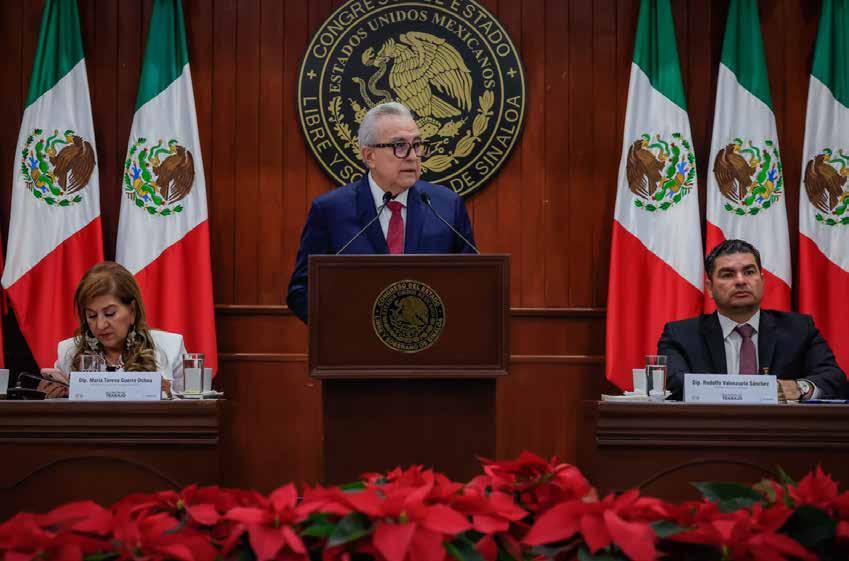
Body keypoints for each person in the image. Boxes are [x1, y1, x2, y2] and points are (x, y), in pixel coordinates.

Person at [286, 102, 476, 323]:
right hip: (357, 339)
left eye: (417, 145)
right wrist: (343, 324)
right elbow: (301, 290)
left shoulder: (446, 206)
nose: (412, 156)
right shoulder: (331, 211)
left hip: (429, 338)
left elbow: (472, 282)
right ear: (369, 156)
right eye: (400, 146)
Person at [658, 239, 849, 401]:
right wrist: (743, 391)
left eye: (749, 272)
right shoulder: (680, 335)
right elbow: (676, 384)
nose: (741, 281)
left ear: (762, 280)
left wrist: (799, 388)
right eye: (728, 274)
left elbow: (834, 379)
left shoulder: (799, 329)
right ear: (710, 288)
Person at [38, 261, 187, 398]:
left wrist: (168, 396)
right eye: (92, 316)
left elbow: (190, 410)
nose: (100, 325)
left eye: (110, 313)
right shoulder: (69, 352)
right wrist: (52, 400)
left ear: (132, 311)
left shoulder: (170, 347)